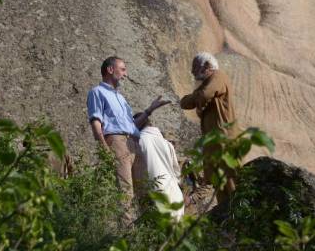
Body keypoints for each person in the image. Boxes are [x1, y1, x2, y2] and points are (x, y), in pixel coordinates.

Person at [86, 56, 170, 225]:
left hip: (134, 143)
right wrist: (104, 148)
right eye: (122, 69)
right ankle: (128, 235)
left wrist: (149, 110)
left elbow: (132, 126)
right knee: (125, 190)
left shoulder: (121, 98)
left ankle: (147, 231)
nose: (125, 74)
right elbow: (96, 122)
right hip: (117, 142)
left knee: (144, 188)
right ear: (110, 70)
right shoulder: (97, 92)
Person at [180, 52, 239, 204]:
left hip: (224, 140)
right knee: (218, 183)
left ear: (207, 66)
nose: (192, 72)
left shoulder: (217, 76)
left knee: (231, 180)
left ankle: (237, 214)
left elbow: (205, 95)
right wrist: (195, 98)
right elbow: (185, 103)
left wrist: (195, 98)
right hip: (213, 142)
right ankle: (227, 216)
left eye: (195, 67)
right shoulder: (207, 83)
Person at [135, 114, 185, 219]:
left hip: (154, 196)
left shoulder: (138, 142)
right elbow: (177, 173)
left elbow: (137, 175)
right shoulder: (167, 143)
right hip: (175, 195)